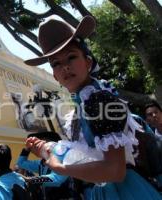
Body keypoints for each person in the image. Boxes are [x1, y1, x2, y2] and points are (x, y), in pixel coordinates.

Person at [24, 15, 162, 199]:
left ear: (88, 61)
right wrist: (44, 160)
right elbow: (57, 178)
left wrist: (59, 167)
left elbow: (115, 170)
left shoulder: (98, 101)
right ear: (55, 76)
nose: (65, 67)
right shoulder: (81, 108)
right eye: (56, 63)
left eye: (71, 57)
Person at [17, 132, 77, 200]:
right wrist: (26, 150)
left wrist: (30, 180)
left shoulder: (64, 157)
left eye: (35, 145)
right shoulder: (41, 163)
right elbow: (21, 163)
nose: (33, 150)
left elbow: (56, 180)